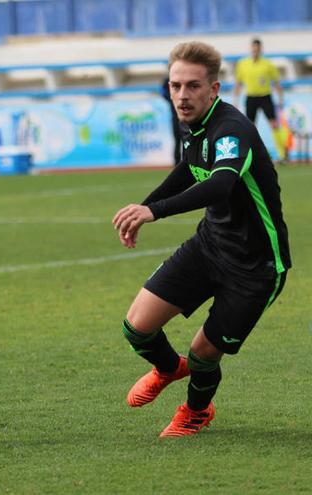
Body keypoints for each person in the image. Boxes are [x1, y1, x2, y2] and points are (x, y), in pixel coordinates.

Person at [112, 41, 290, 438]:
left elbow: (221, 184)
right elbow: (187, 168)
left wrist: (154, 212)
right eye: (175, 86)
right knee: (136, 326)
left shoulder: (233, 130)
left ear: (214, 89)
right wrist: (143, 208)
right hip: (210, 245)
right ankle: (167, 368)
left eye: (192, 86)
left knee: (204, 353)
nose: (182, 95)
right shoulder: (190, 123)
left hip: (256, 266)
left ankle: (196, 411)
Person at [233, 38, 288, 161]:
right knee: (250, 127)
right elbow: (238, 83)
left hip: (265, 96)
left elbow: (277, 83)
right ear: (251, 49)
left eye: (257, 49)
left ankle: (283, 154)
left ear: (261, 49)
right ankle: (251, 155)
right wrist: (235, 100)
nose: (255, 51)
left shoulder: (268, 64)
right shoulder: (243, 64)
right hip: (251, 97)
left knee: (274, 124)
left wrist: (280, 98)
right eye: (253, 48)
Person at [162, 76, 181, 166]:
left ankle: (190, 162)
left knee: (189, 141)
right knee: (177, 141)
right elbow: (163, 92)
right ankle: (177, 163)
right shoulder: (167, 80)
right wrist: (172, 98)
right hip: (175, 117)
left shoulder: (183, 77)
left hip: (187, 118)